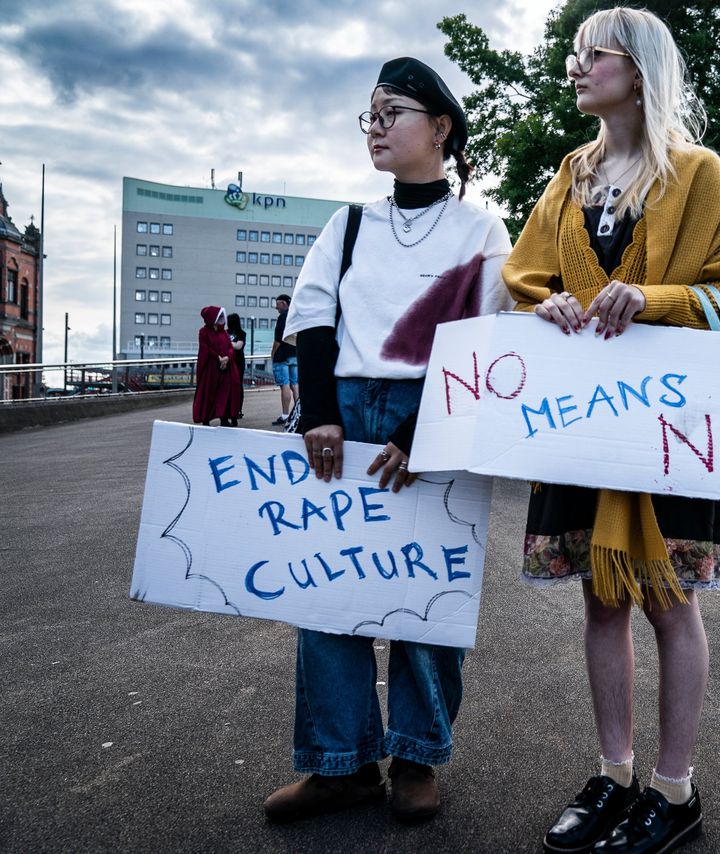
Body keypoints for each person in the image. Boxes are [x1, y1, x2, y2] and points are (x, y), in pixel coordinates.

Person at [502, 9, 720, 852]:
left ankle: (674, 790)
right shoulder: (568, 175)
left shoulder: (701, 174)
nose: (575, 67)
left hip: (671, 424)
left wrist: (650, 300)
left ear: (640, 69)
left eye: (593, 54)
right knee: (600, 599)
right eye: (573, 55)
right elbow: (523, 278)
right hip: (582, 423)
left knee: (670, 602)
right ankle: (613, 775)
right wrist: (553, 302)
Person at [266, 56, 513, 824]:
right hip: (345, 407)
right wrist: (318, 413)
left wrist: (421, 425)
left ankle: (416, 756)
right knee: (329, 584)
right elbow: (311, 318)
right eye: (368, 114)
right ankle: (339, 763)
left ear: (440, 127)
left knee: (427, 592)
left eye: (391, 112)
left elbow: (483, 334)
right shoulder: (346, 225)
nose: (374, 127)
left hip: (438, 409)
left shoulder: (482, 228)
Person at [191, 306, 242, 427]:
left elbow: (230, 348)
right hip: (211, 369)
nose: (222, 319)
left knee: (225, 393)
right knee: (209, 393)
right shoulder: (203, 332)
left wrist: (227, 358)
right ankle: (206, 419)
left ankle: (224, 418)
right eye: (219, 316)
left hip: (225, 368)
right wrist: (217, 357)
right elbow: (205, 348)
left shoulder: (223, 332)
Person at [271, 294, 298, 425]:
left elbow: (278, 339)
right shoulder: (295, 315)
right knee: (295, 384)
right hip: (295, 353)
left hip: (282, 355)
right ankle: (298, 414)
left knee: (285, 385)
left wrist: (273, 353)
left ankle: (285, 415)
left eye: (278, 303)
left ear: (284, 303)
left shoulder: (283, 317)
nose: (276, 307)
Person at [226, 312, 247, 419]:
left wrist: (226, 342)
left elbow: (238, 346)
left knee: (238, 385)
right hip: (228, 361)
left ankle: (238, 409)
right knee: (227, 385)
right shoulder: (225, 332)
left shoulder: (241, 333)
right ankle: (229, 409)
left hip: (238, 362)